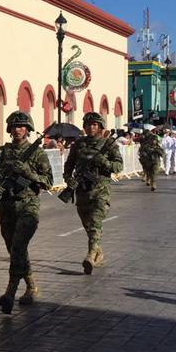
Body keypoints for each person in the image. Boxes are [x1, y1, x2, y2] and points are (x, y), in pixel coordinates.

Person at [0, 112, 52, 314]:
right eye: (14, 126)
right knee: (15, 250)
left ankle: (10, 292)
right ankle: (31, 286)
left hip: (28, 206)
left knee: (19, 246)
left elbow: (48, 182)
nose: (17, 130)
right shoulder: (1, 153)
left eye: (21, 126)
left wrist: (27, 172)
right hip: (6, 207)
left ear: (28, 129)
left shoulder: (37, 153)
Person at [63, 112, 123, 275]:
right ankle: (98, 252)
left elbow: (118, 166)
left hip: (101, 191)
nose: (91, 127)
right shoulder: (78, 145)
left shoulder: (109, 144)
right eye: (88, 125)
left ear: (100, 126)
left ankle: (90, 256)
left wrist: (103, 161)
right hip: (82, 190)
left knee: (95, 222)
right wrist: (68, 179)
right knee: (87, 225)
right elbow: (69, 165)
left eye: (94, 125)